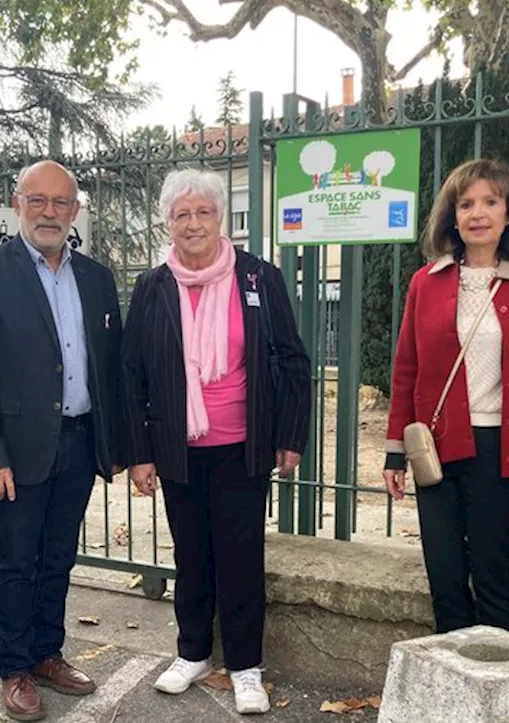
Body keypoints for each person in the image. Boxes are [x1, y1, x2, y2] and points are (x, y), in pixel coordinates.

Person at [124, 169, 311, 715]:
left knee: (240, 557)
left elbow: (293, 360)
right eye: (182, 214)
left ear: (220, 217)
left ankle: (246, 666)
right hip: (178, 448)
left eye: (203, 212)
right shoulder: (153, 286)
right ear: (168, 223)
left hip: (243, 445)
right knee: (191, 556)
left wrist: (290, 436)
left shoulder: (257, 278)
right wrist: (139, 452)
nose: (193, 223)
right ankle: (193, 653)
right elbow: (132, 374)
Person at [0, 160, 128, 722]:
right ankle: (15, 667)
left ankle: (48, 652)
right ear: (17, 205)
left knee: (58, 557)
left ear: (75, 211)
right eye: (39, 201)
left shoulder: (97, 278)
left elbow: (110, 367)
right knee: (16, 562)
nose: (50, 212)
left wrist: (115, 445)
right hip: (18, 449)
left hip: (78, 440)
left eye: (61, 203)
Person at [381, 158, 509, 635]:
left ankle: (502, 690)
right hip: (438, 449)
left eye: (490, 202)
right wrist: (395, 454)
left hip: (502, 451)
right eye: (466, 204)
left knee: (492, 573)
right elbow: (407, 369)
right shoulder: (427, 281)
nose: (477, 213)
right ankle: (454, 686)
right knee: (444, 577)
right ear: (452, 216)